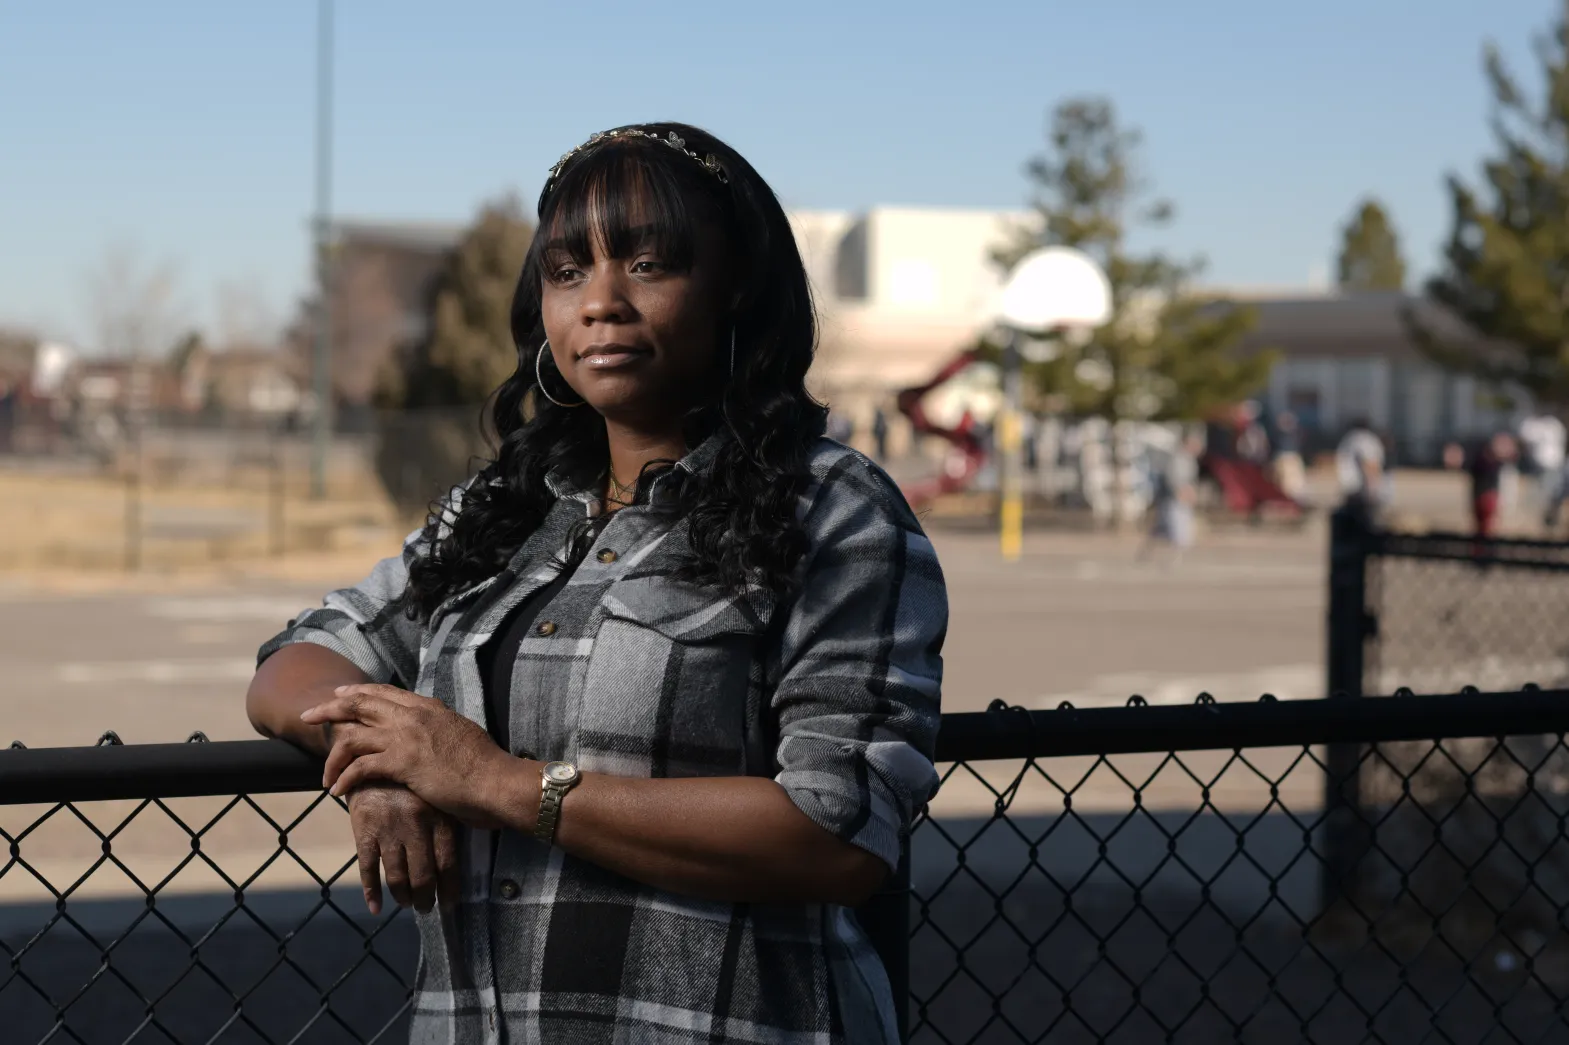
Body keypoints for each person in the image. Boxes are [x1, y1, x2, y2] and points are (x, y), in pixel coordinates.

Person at [245, 123, 946, 1044]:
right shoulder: (507, 508)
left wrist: (500, 785)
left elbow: (837, 830)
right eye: (568, 271)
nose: (601, 304)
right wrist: (381, 762)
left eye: (649, 265)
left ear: (734, 289)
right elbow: (297, 660)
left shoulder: (831, 508)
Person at [1140, 430, 1203, 564]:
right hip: (1173, 501)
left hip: (1182, 501)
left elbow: (1190, 481)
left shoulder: (1190, 459)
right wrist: (1183, 492)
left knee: (1168, 530)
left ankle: (1157, 554)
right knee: (1176, 531)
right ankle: (1173, 558)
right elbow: (1173, 480)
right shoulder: (1178, 458)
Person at [1336, 418, 1387, 527]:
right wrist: (1374, 489)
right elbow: (1369, 464)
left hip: (1349, 488)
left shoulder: (1349, 439)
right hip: (1362, 490)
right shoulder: (1364, 439)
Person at [1468, 431, 1518, 540]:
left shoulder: (1493, 462)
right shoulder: (1486, 461)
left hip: (1486, 496)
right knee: (1485, 528)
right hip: (1485, 496)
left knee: (1485, 527)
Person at [1270, 410, 1305, 502]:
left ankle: (1295, 498)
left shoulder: (1295, 433)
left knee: (1295, 480)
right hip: (1282, 456)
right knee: (1283, 480)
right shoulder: (1277, 433)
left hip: (1292, 456)